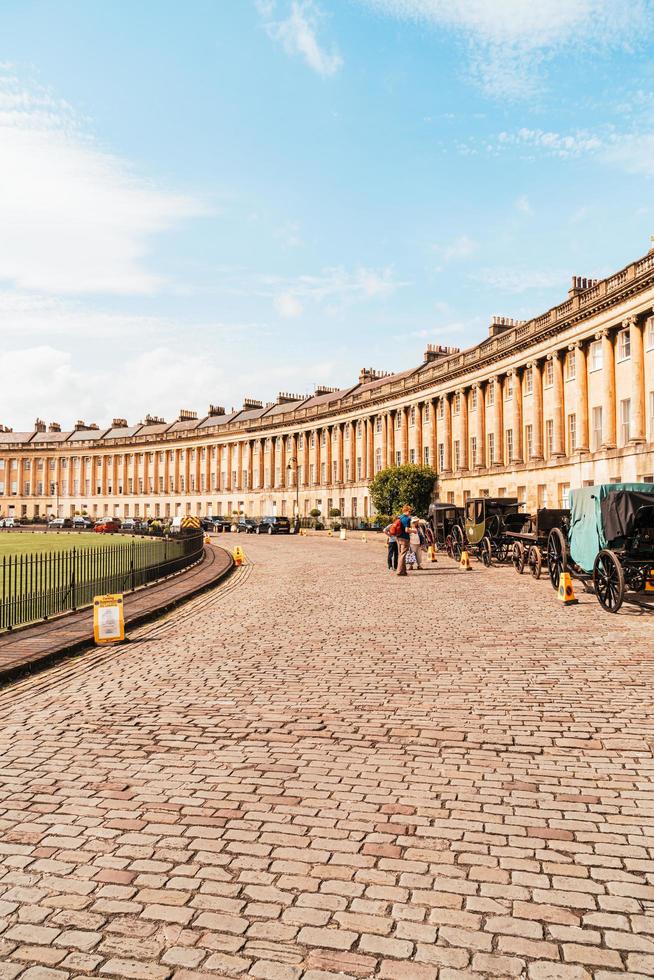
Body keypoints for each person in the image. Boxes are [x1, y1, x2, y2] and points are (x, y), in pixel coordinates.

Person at [396, 504, 413, 577]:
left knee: (400, 554)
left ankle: (403, 571)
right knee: (403, 555)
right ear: (406, 511)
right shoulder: (407, 518)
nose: (410, 513)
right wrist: (413, 531)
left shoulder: (399, 517)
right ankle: (399, 571)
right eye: (409, 511)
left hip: (398, 537)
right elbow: (407, 530)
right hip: (405, 538)